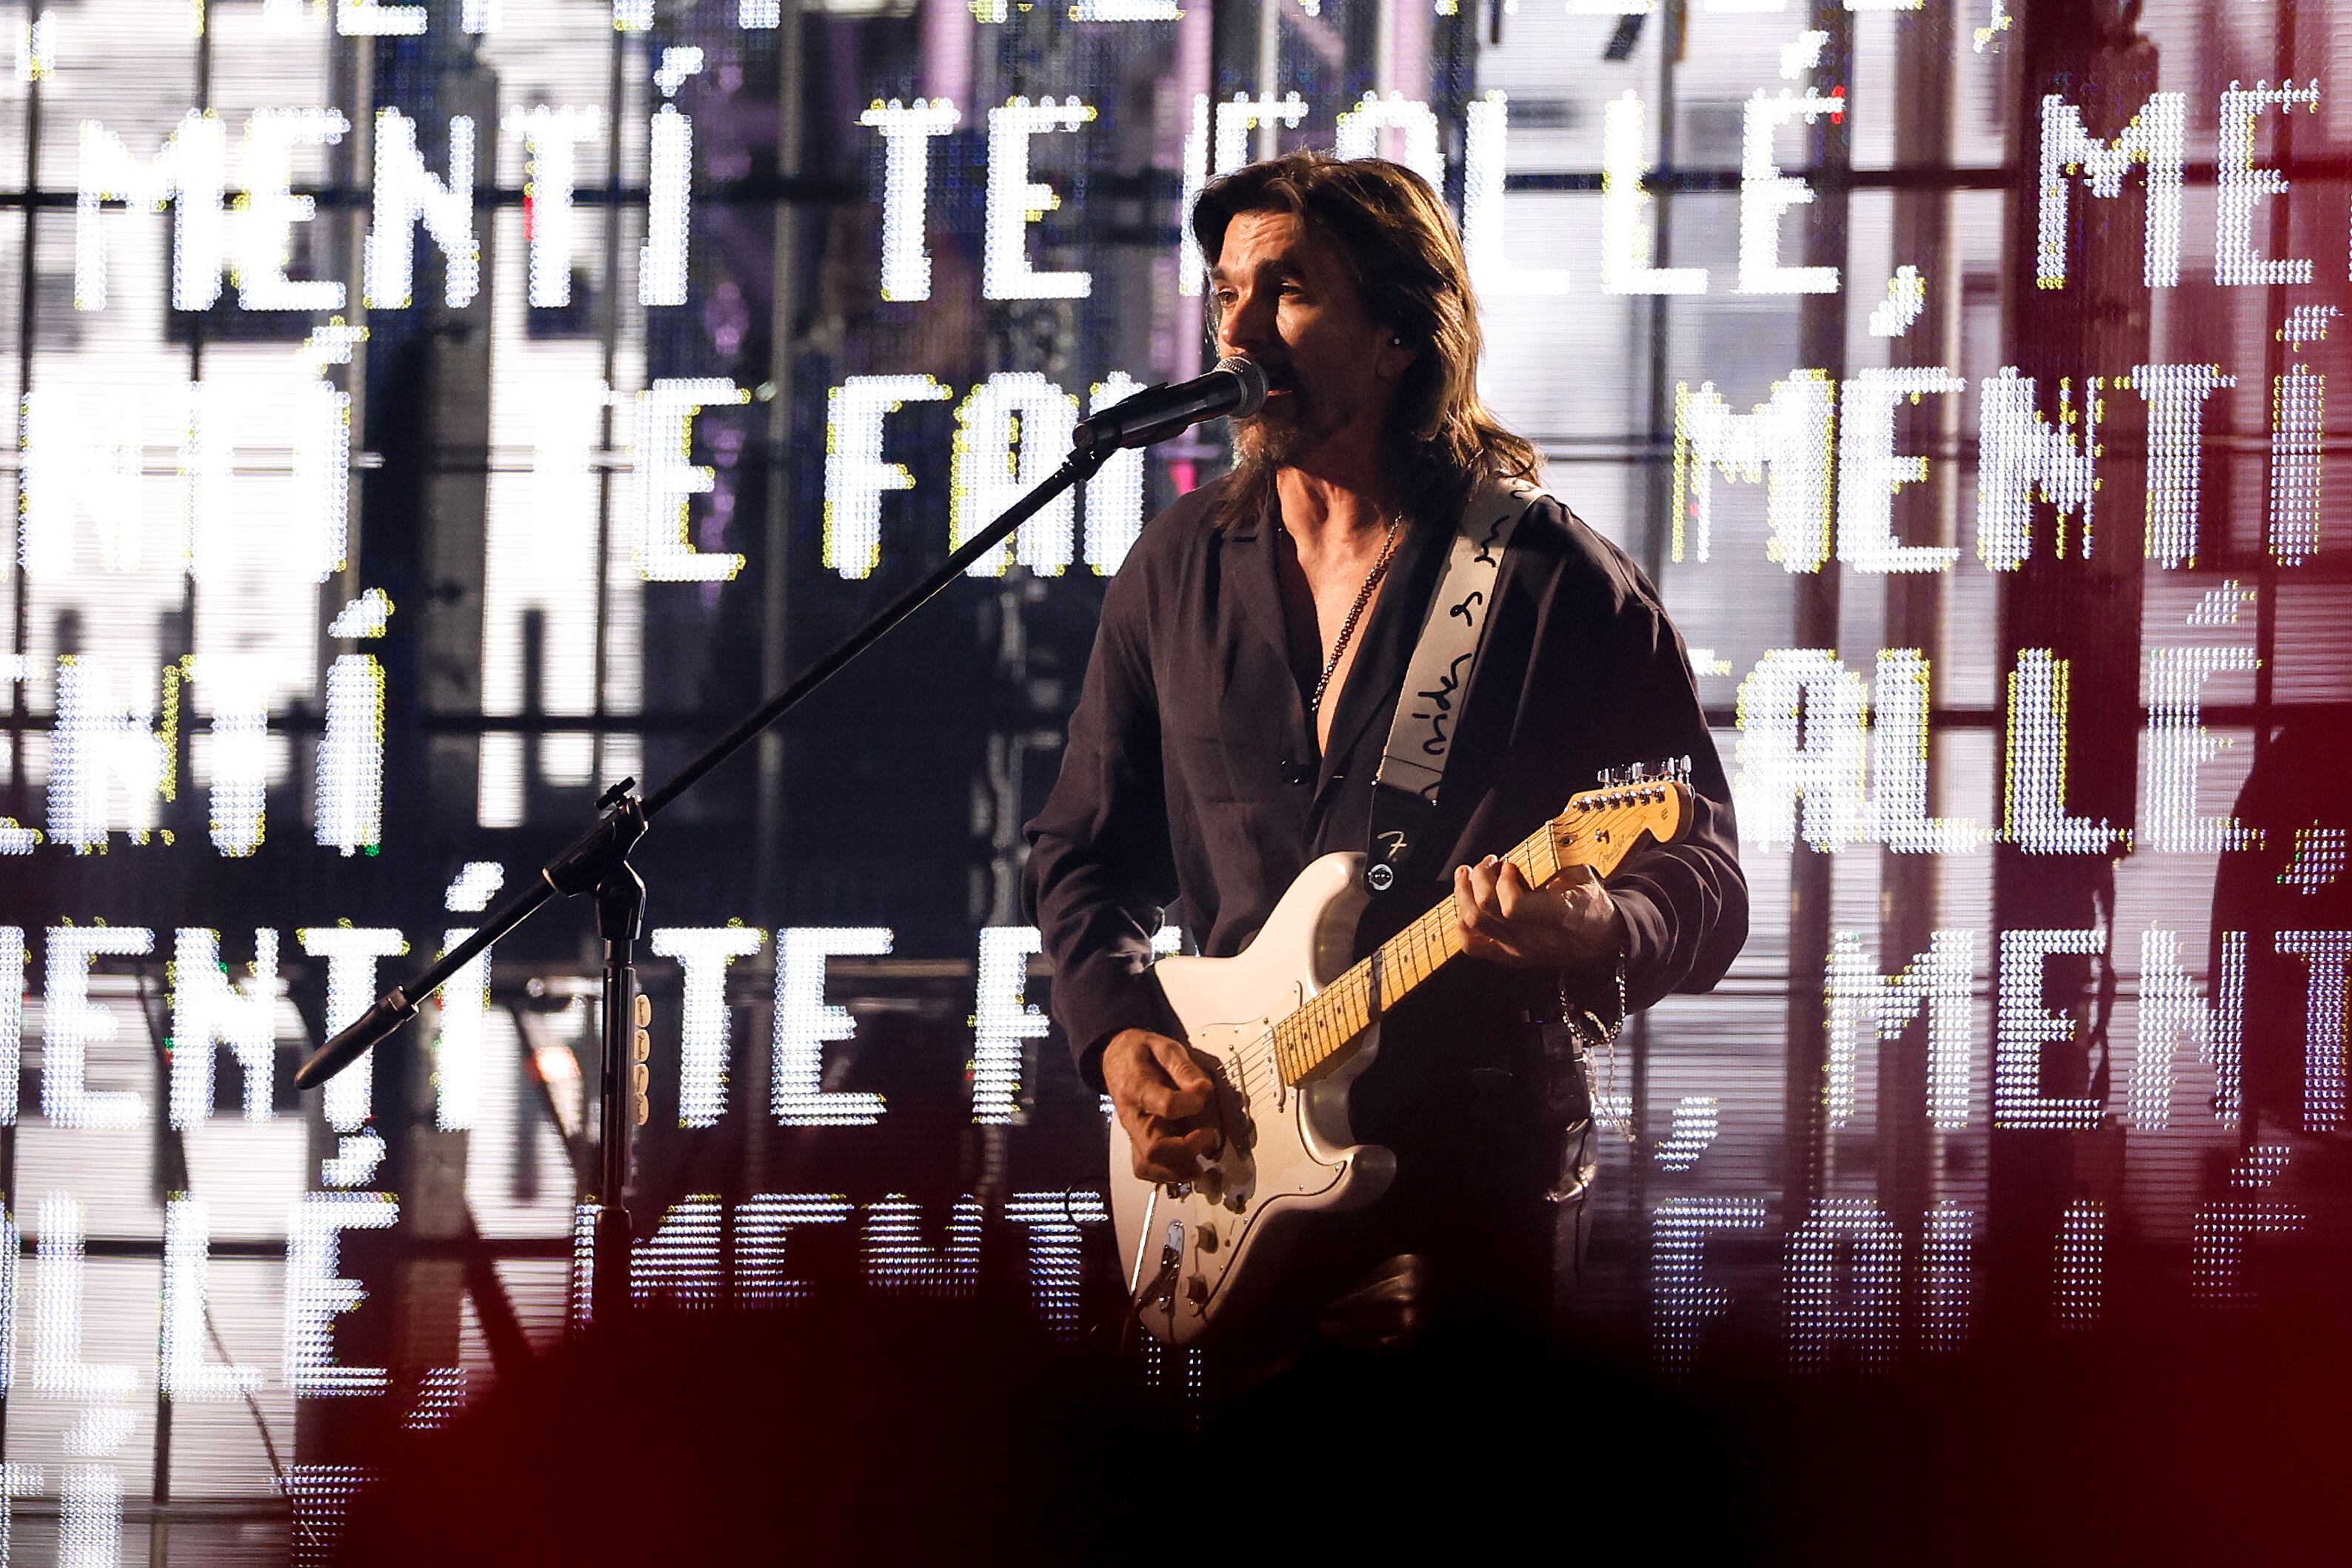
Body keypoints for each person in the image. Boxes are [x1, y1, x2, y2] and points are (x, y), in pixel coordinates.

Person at [1023, 151, 1746, 1357]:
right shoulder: (1175, 568)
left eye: (1289, 290)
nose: (1239, 325)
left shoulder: (1547, 584)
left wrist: (1600, 929)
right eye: (1225, 291)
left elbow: (1705, 869)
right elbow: (1081, 853)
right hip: (1233, 1192)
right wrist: (1118, 1033)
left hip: (1463, 1202)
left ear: (1400, 334)